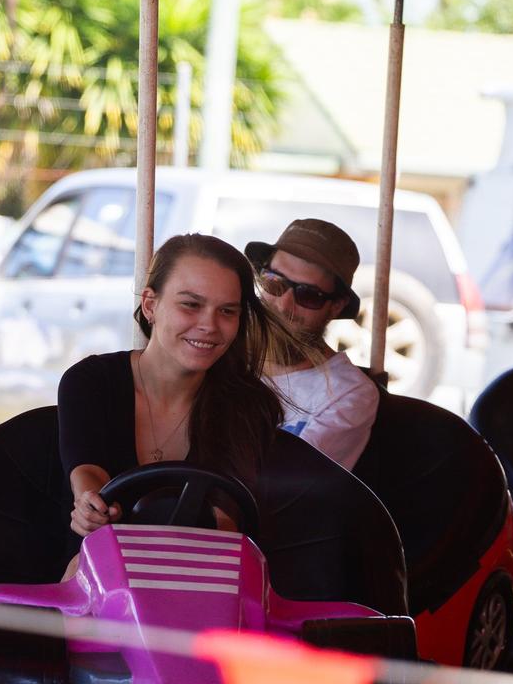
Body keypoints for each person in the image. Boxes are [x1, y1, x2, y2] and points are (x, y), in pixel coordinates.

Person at [57, 233, 298, 576]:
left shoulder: (247, 405)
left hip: (200, 579)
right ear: (150, 304)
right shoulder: (91, 381)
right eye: (191, 304)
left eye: (227, 311)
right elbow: (88, 469)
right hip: (99, 578)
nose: (209, 326)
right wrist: (91, 505)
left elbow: (228, 516)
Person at [245, 219, 379, 471]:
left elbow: (284, 484)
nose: (283, 306)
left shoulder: (347, 393)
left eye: (308, 295)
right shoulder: (222, 352)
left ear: (336, 306)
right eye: (274, 282)